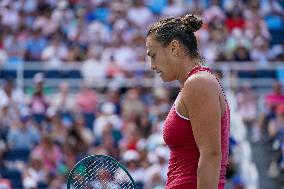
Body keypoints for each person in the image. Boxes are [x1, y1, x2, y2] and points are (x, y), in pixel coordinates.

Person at [146, 14, 230, 189]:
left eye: (153, 55)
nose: (152, 65)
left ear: (174, 47)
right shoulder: (194, 84)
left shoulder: (199, 83)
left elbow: (211, 156)